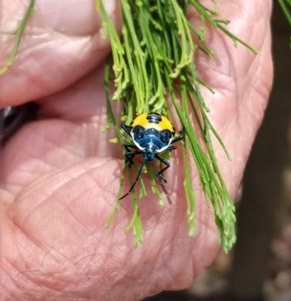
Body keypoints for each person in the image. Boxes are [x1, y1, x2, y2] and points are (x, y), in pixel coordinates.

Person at [0, 1, 273, 300]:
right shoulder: (146, 149)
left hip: (151, 128)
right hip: (149, 127)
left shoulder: (146, 150)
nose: (153, 161)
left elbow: (151, 142)